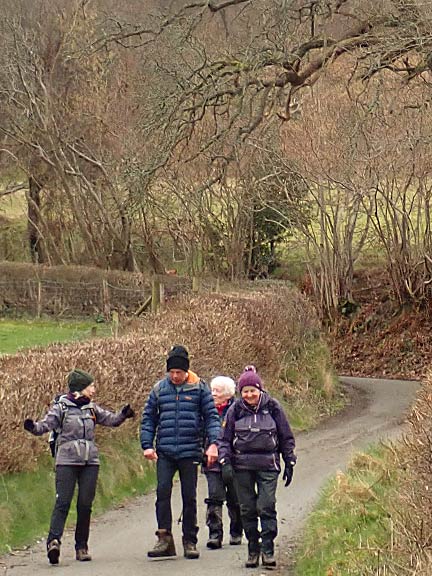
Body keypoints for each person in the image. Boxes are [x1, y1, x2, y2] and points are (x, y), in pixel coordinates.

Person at [23, 368, 135, 565]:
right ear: (80, 388)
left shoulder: (91, 408)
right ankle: (54, 542)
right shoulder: (61, 408)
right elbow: (45, 425)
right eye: (91, 386)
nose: (93, 390)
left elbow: (111, 420)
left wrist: (124, 414)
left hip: (90, 462)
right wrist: (33, 427)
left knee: (85, 505)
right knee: (63, 502)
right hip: (66, 461)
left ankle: (81, 547)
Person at [141, 345, 221, 560]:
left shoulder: (199, 388)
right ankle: (164, 538)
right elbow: (148, 419)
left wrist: (213, 443)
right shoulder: (159, 389)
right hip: (165, 451)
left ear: (187, 371)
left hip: (190, 450)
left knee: (189, 496)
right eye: (172, 372)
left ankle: (189, 540)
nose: (175, 376)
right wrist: (147, 445)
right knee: (162, 492)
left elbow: (212, 418)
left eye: (179, 372)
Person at [218, 365, 297, 569]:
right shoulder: (234, 410)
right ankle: (253, 549)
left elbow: (285, 436)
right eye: (245, 391)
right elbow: (224, 440)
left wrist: (289, 460)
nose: (250, 395)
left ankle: (268, 549)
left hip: (268, 465)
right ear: (240, 392)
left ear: (260, 390)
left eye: (253, 390)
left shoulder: (273, 407)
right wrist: (225, 462)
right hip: (241, 467)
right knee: (247, 509)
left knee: (266, 506)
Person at [203, 375, 243, 549]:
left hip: (234, 462)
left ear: (227, 394)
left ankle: (236, 531)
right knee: (214, 497)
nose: (213, 394)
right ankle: (215, 533)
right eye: (212, 390)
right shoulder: (205, 411)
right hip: (211, 462)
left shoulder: (239, 410)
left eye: (217, 391)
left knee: (235, 498)